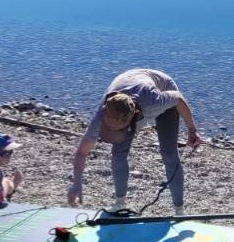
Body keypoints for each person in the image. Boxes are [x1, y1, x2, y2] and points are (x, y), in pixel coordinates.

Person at [67, 68, 202, 215]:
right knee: (118, 152)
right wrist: (77, 184)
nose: (111, 131)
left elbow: (178, 98)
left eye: (116, 130)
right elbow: (82, 152)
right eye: (108, 128)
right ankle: (119, 204)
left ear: (130, 123)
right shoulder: (103, 113)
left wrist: (192, 130)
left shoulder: (153, 102)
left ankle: (179, 211)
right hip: (130, 81)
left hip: (164, 89)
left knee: (169, 153)